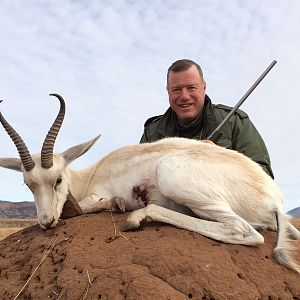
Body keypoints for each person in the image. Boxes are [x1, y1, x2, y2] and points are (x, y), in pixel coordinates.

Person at [140, 59, 274, 178]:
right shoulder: (152, 133)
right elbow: (136, 178)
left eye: (191, 88)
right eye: (176, 90)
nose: (185, 96)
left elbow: (264, 178)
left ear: (204, 88)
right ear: (168, 91)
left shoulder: (235, 121)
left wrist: (220, 159)